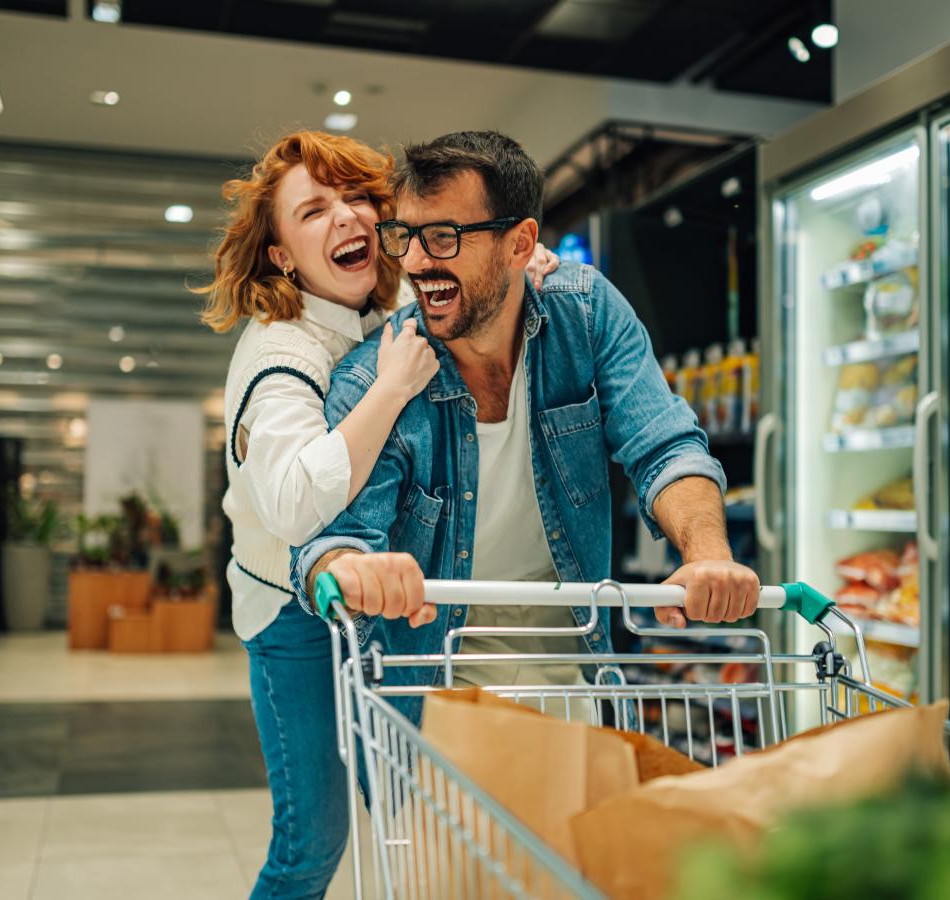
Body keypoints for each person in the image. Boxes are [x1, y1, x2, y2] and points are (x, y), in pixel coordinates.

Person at [295, 131, 761, 728]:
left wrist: (707, 554)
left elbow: (663, 445)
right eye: (405, 237)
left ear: (520, 244)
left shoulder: (586, 317)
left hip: (578, 678)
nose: (414, 262)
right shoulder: (373, 383)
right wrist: (351, 567)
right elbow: (334, 541)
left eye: (443, 237)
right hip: (435, 691)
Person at [198, 130, 558, 900]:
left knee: (411, 814)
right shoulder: (280, 353)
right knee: (312, 842)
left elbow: (465, 283)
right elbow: (296, 503)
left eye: (358, 197)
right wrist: (389, 388)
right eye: (314, 210)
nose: (348, 218)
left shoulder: (377, 301)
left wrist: (521, 268)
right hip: (295, 615)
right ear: (282, 255)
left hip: (385, 591)